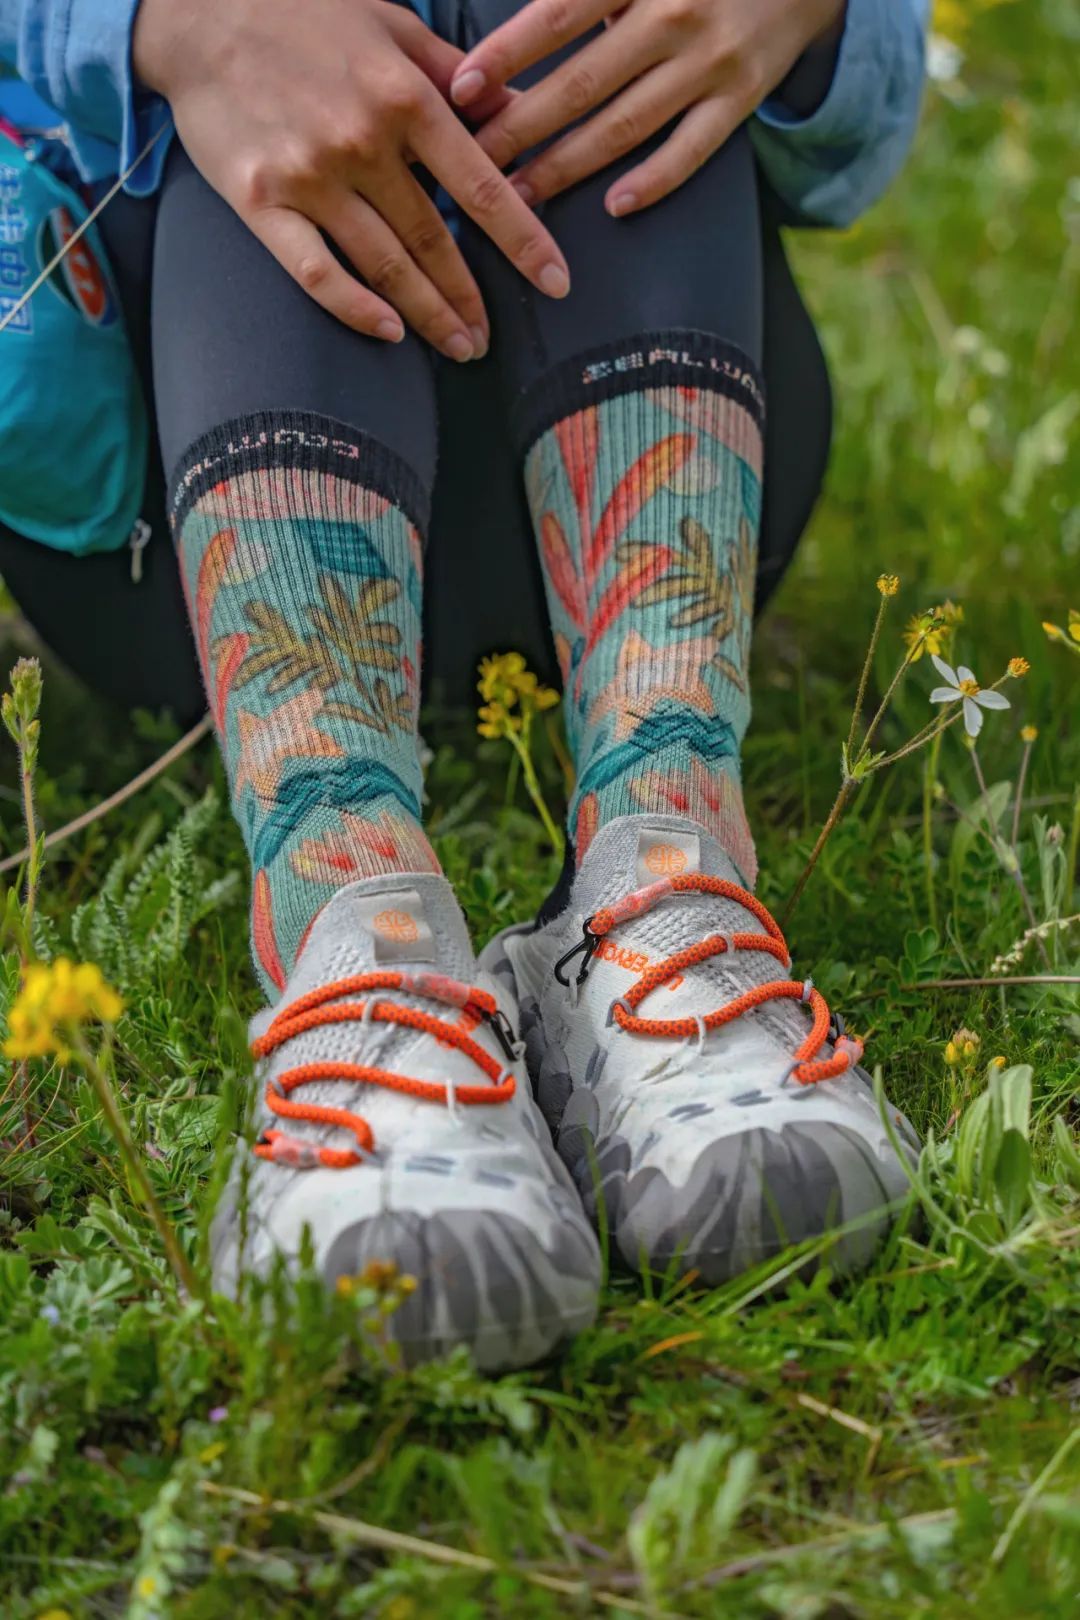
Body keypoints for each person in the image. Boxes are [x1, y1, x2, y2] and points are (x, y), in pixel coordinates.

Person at [0, 0, 928, 1370]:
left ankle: (663, 872)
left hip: (635, 454)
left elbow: (860, 134)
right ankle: (352, 941)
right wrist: (167, 27)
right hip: (169, 514)